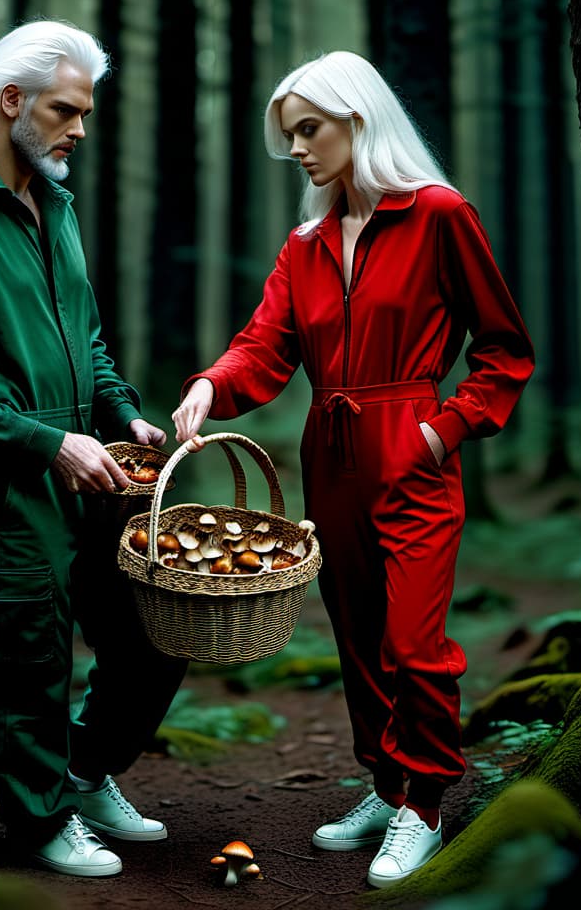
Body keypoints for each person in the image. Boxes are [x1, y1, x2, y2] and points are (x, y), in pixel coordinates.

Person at [171, 50, 534, 888]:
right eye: (290, 134)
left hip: (409, 442)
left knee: (414, 640)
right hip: (328, 452)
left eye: (310, 129)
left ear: (358, 120)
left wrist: (441, 433)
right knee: (359, 635)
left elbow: (505, 350)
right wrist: (210, 384)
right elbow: (266, 345)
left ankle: (428, 805)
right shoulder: (305, 244)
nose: (297, 148)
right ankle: (385, 783)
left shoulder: (440, 215)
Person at [0, 18, 187, 879]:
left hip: (98, 466)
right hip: (7, 478)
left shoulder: (54, 203)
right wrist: (44, 441)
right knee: (31, 657)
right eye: (66, 110)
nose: (79, 129)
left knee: (152, 635)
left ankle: (83, 775)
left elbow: (83, 337)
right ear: (12, 102)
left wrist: (122, 412)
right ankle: (38, 819)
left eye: (84, 113)